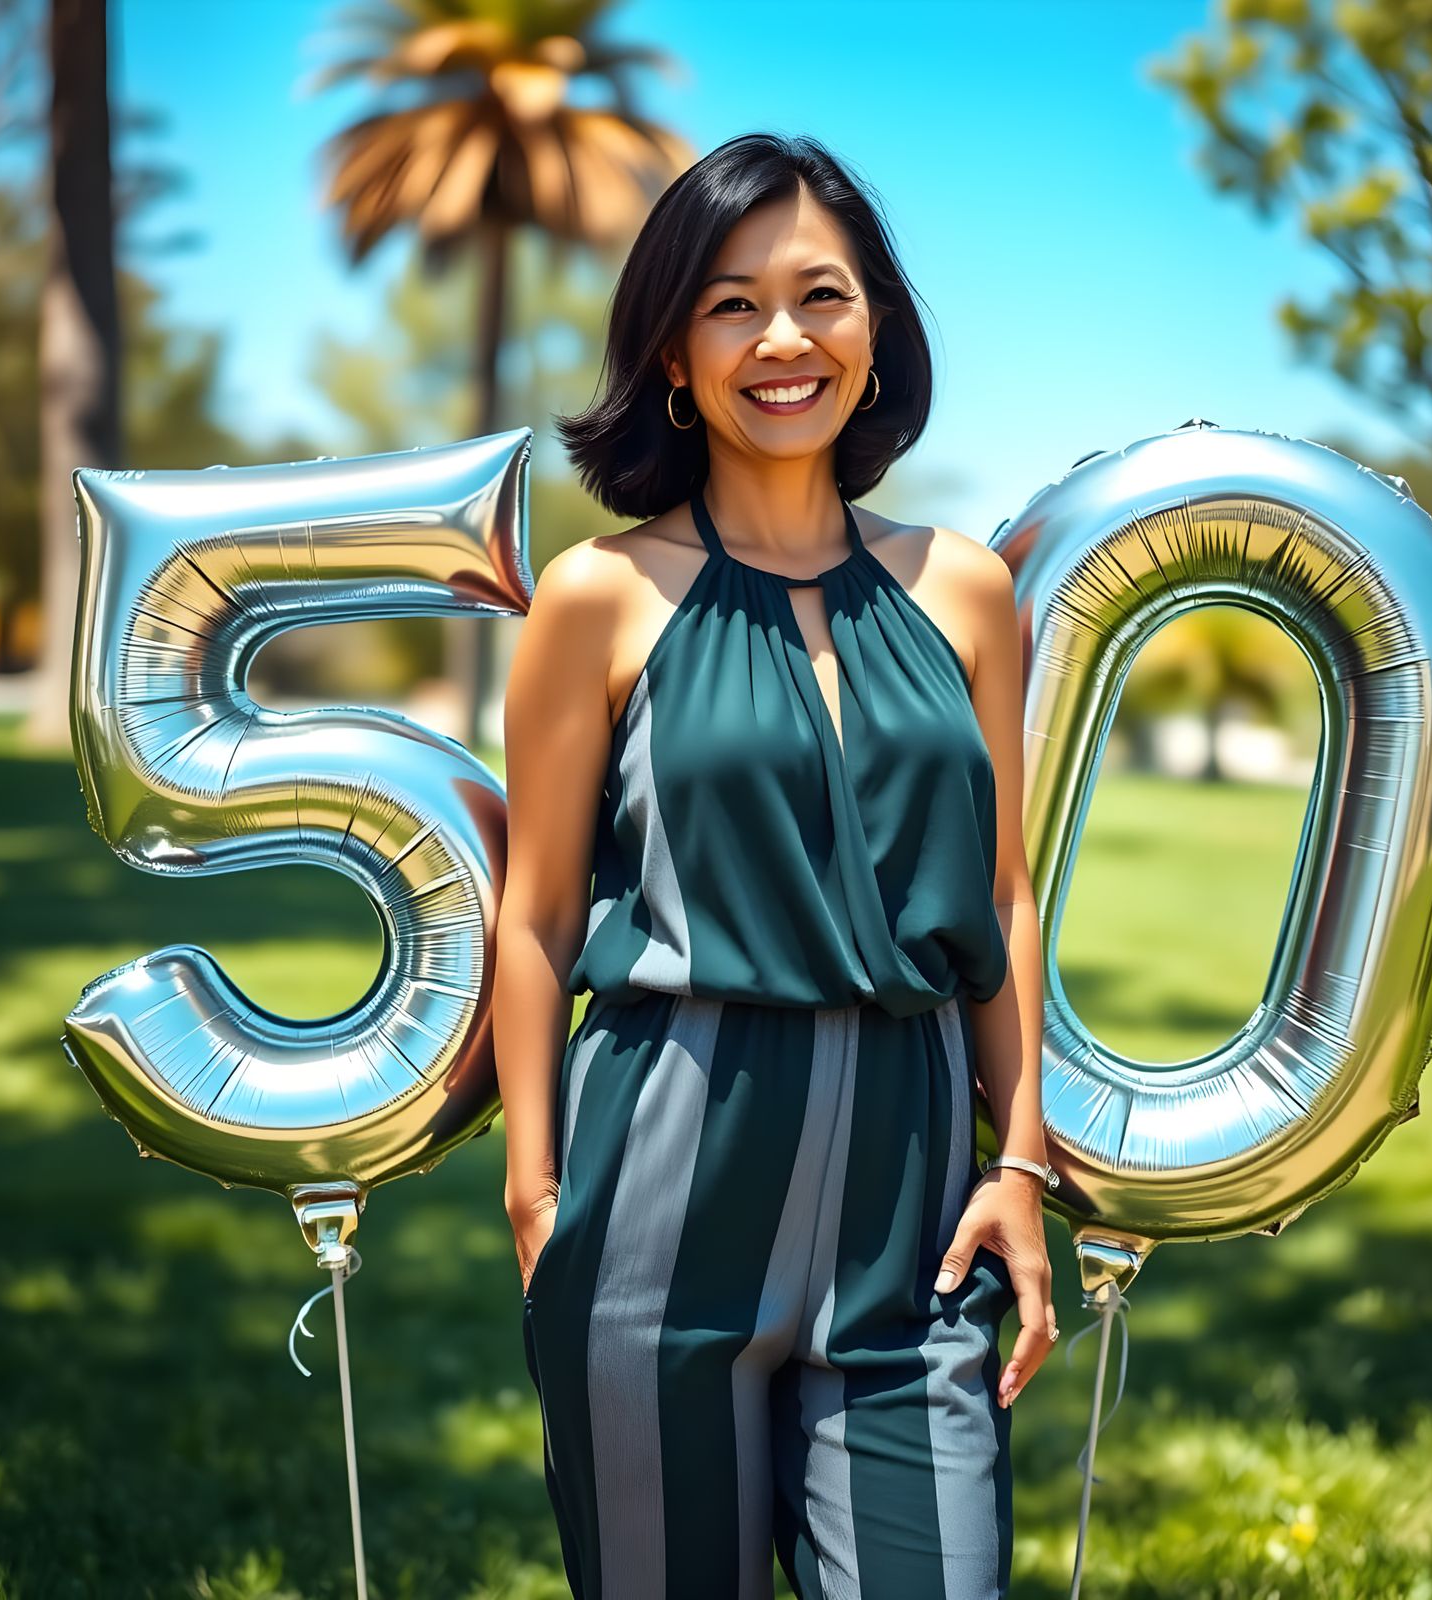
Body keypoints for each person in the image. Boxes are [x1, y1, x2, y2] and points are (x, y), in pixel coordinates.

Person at [494, 130, 1057, 1600]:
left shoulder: (969, 592)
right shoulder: (597, 599)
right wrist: (537, 1194)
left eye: (824, 294)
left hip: (913, 1223)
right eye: (733, 304)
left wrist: (1021, 1161)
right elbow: (541, 912)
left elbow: (1001, 895)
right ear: (674, 354)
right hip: (658, 1207)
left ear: (878, 327)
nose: (785, 338)